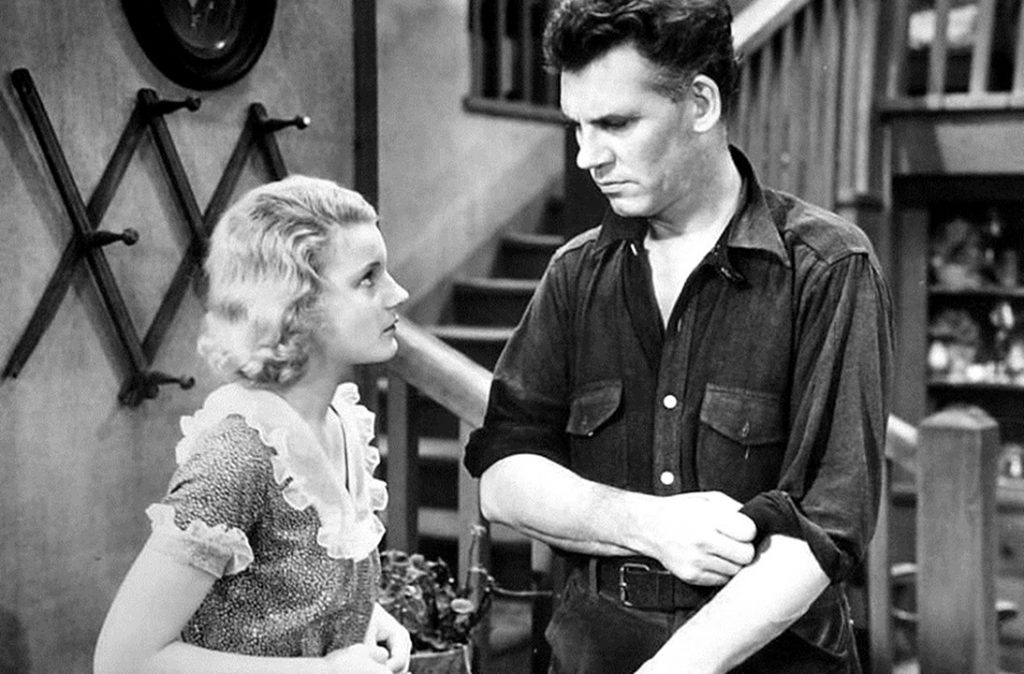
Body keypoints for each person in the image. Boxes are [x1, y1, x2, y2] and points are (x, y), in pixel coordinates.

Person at [463, 1, 894, 672]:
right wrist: (650, 524)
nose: (587, 157)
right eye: (578, 127)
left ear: (700, 103)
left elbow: (826, 526)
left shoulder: (829, 267)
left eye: (615, 124)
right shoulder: (574, 273)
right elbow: (503, 477)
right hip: (591, 651)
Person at [95, 176, 413, 673]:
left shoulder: (340, 423)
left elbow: (292, 594)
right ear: (296, 307)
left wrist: (368, 616)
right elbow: (124, 660)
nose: (398, 293)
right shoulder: (239, 456)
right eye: (368, 278)